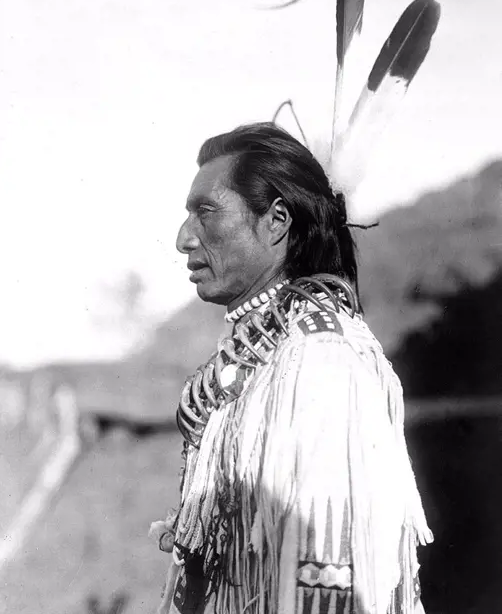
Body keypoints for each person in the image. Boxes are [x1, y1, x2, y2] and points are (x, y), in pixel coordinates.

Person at [151, 123, 432, 614]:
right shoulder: (260, 358)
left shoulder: (321, 356)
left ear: (276, 220)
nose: (183, 239)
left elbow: (330, 573)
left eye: (206, 212)